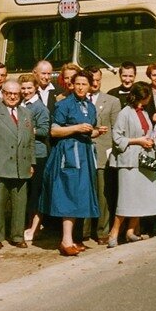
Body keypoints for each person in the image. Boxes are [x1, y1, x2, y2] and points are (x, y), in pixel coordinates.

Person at [40, 69, 99, 257]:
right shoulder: (64, 105)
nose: (81, 87)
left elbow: (88, 131)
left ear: (90, 86)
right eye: (78, 84)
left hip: (84, 154)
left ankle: (73, 239)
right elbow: (54, 131)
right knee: (69, 194)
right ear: (72, 85)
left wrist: (96, 131)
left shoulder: (90, 107)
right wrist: (76, 128)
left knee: (81, 194)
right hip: (68, 154)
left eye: (84, 84)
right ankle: (65, 241)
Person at [0, 80, 36, 250]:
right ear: (2, 93)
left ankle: (17, 236)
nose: (12, 96)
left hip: (21, 165)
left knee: (20, 203)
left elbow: (30, 141)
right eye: (8, 93)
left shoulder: (26, 113)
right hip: (0, 165)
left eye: (15, 94)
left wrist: (31, 162)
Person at [108, 82, 156, 247]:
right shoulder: (125, 113)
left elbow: (146, 132)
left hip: (143, 159)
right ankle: (114, 232)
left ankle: (130, 231)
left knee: (141, 197)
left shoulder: (144, 112)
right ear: (141, 97)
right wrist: (137, 141)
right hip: (129, 161)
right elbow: (117, 138)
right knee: (127, 198)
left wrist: (149, 140)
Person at [86, 67, 121, 244]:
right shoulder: (76, 101)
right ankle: (83, 232)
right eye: (91, 79)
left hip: (103, 154)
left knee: (103, 194)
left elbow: (117, 130)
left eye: (98, 80)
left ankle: (102, 231)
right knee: (84, 193)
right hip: (83, 153)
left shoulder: (112, 101)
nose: (95, 83)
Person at [18, 72, 50, 242]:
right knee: (27, 191)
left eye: (29, 88)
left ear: (36, 88)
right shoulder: (20, 105)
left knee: (36, 193)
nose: (25, 91)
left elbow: (45, 130)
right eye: (23, 88)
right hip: (23, 155)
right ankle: (27, 225)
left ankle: (35, 227)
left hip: (38, 155)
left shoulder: (40, 108)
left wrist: (27, 130)